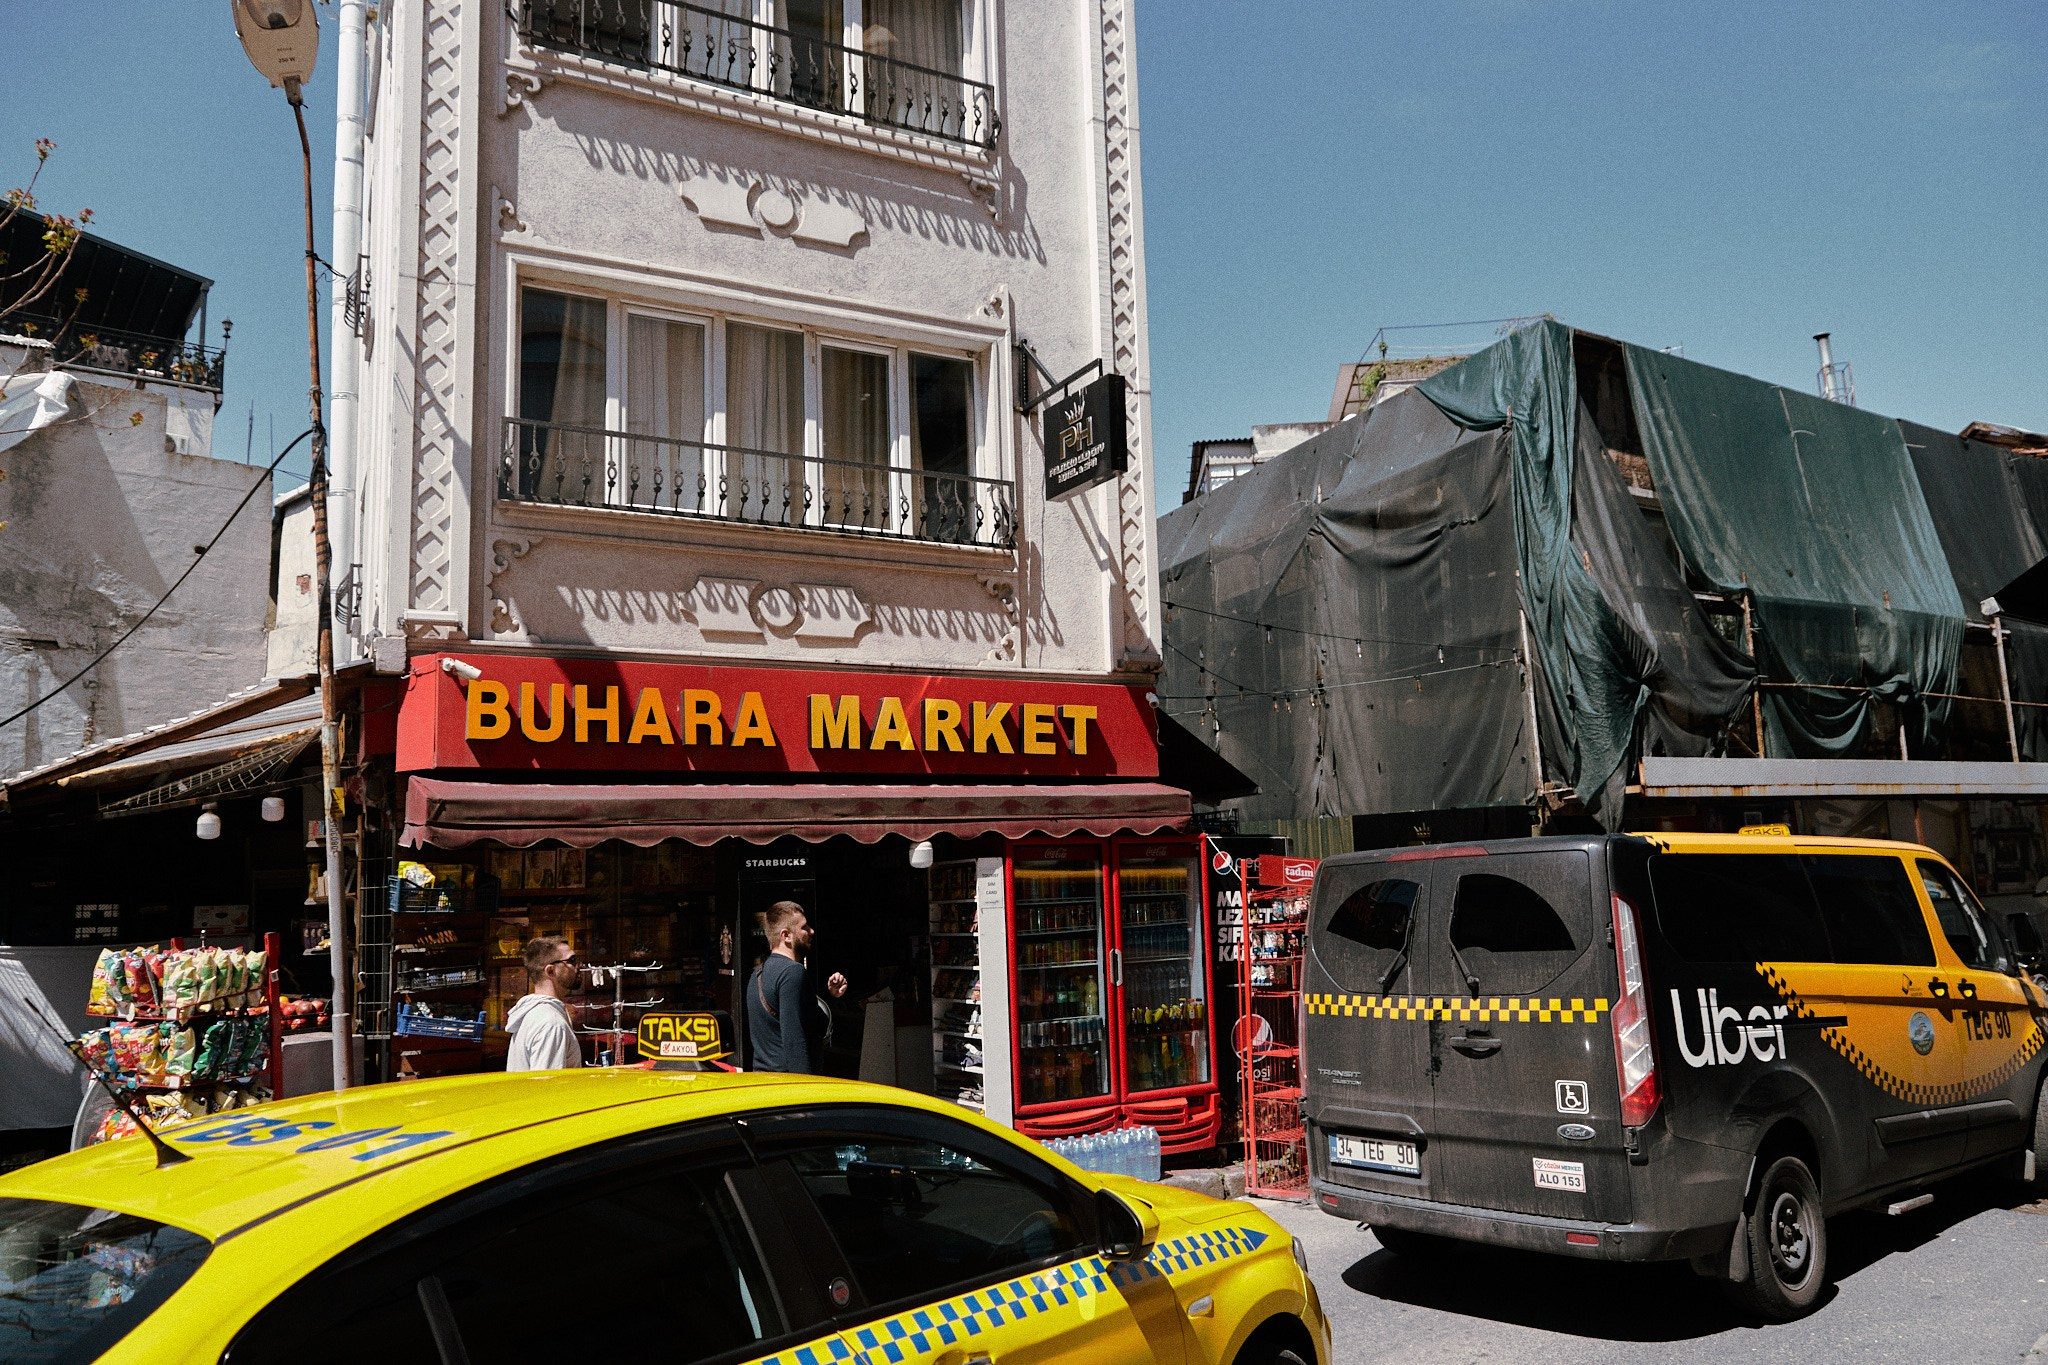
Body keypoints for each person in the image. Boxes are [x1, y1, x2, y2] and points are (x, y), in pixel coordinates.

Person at [747, 901, 848, 1073]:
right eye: (804, 927)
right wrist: (805, 1089)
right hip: (789, 1085)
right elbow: (794, 1040)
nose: (811, 931)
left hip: (764, 1080)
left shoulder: (757, 974)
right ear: (786, 936)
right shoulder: (792, 972)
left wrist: (829, 994)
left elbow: (780, 1025)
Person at [505, 936, 583, 1071]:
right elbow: (547, 1085)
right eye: (572, 960)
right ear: (551, 971)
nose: (579, 966)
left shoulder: (535, 1014)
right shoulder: (551, 1023)